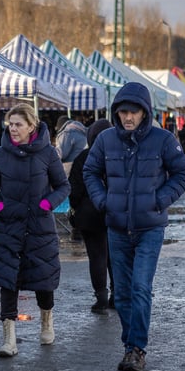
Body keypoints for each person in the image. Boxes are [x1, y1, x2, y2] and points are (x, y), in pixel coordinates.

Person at [82, 82, 185, 371]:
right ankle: (131, 348)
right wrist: (103, 201)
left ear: (145, 112)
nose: (128, 117)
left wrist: (160, 199)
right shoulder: (105, 140)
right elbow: (90, 171)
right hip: (116, 227)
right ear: (116, 112)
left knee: (141, 287)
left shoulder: (163, 140)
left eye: (134, 112)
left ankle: (137, 349)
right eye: (123, 112)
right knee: (124, 294)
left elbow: (182, 171)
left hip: (149, 228)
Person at [0, 104, 70, 357]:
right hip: (9, 227)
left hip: (40, 226)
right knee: (9, 281)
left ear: (32, 126)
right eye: (10, 124)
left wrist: (46, 204)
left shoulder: (48, 153)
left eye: (18, 124)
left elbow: (63, 186)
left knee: (44, 280)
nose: (13, 128)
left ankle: (46, 321)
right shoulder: (0, 154)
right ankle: (9, 339)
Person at [68, 118, 115, 313]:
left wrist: (77, 207)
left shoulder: (83, 157)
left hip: (89, 215)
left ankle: (101, 297)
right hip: (115, 214)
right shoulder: (117, 156)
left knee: (97, 256)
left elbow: (74, 190)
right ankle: (117, 296)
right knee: (115, 257)